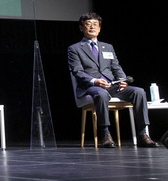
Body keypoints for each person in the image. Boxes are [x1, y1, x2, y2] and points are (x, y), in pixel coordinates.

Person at [68, 12, 159, 147]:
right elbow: (77, 71)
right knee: (101, 93)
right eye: (88, 24)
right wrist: (95, 81)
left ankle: (142, 134)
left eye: (95, 24)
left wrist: (122, 79)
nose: (92, 27)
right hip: (91, 87)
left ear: (100, 28)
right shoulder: (74, 48)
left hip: (112, 85)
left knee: (139, 92)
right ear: (81, 27)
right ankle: (105, 134)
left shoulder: (108, 47)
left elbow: (116, 67)